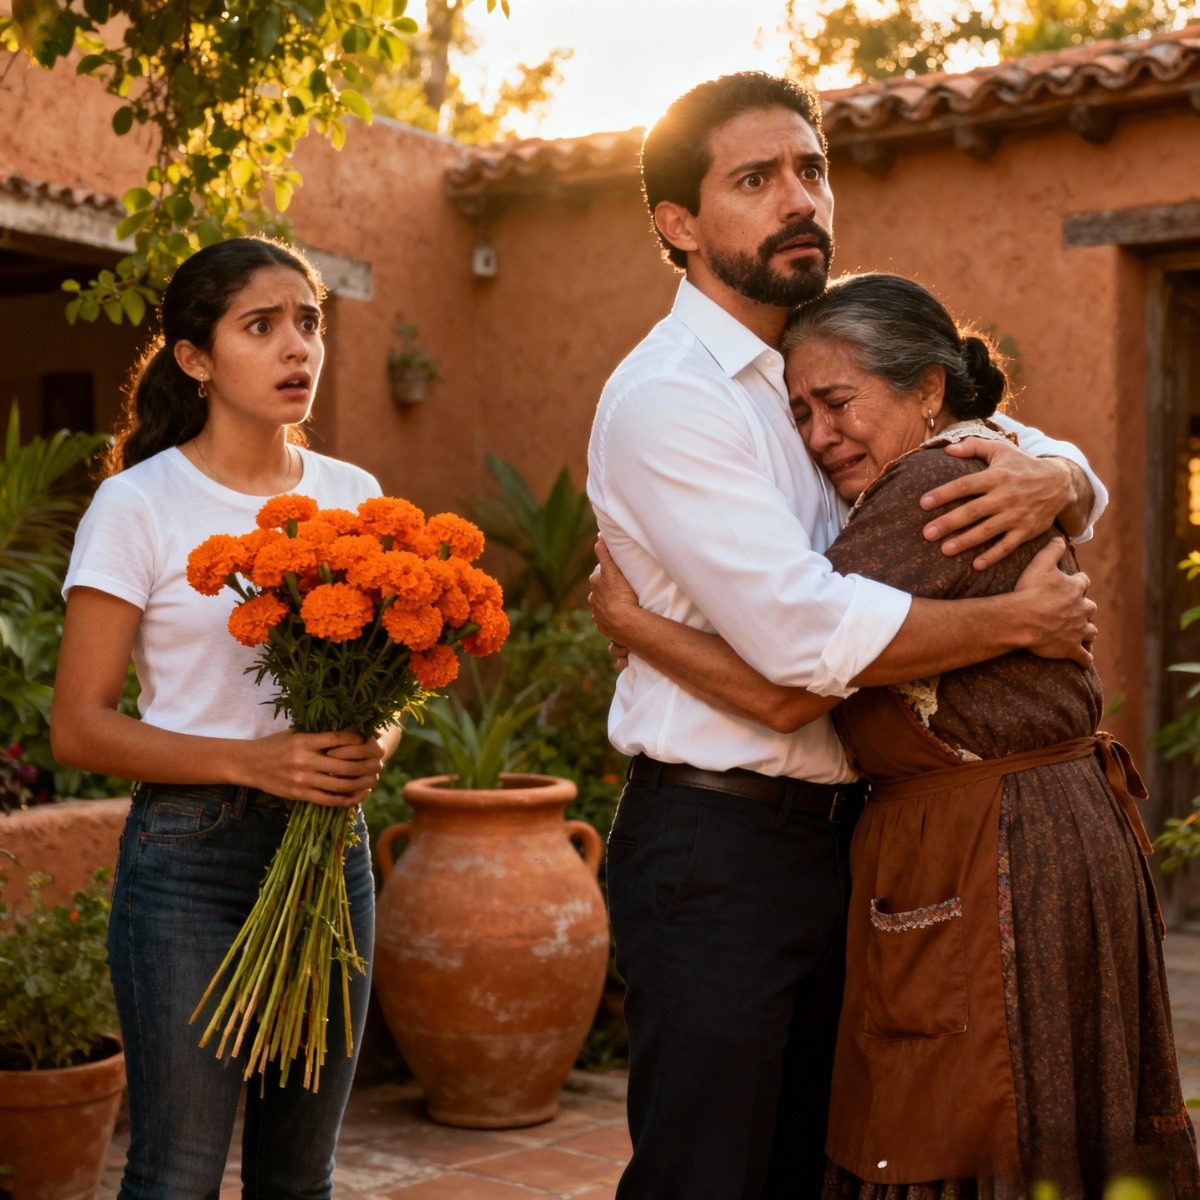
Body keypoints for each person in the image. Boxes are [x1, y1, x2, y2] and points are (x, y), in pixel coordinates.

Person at [586, 72, 1107, 1200]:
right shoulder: (673, 399)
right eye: (754, 179)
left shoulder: (820, 361)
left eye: (811, 169)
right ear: (679, 224)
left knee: (816, 1174)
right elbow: (804, 654)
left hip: (854, 840)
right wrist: (1016, 620)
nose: (798, 199)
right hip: (719, 851)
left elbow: (989, 434)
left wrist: (1062, 477)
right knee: (705, 1178)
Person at [51, 237, 396, 1199]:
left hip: (330, 853)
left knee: (300, 1177)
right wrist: (255, 762)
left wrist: (367, 747)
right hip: (187, 863)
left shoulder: (355, 495)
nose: (297, 347)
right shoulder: (137, 504)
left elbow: (383, 688)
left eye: (309, 323)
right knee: (178, 1176)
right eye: (262, 326)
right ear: (195, 358)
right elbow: (78, 726)